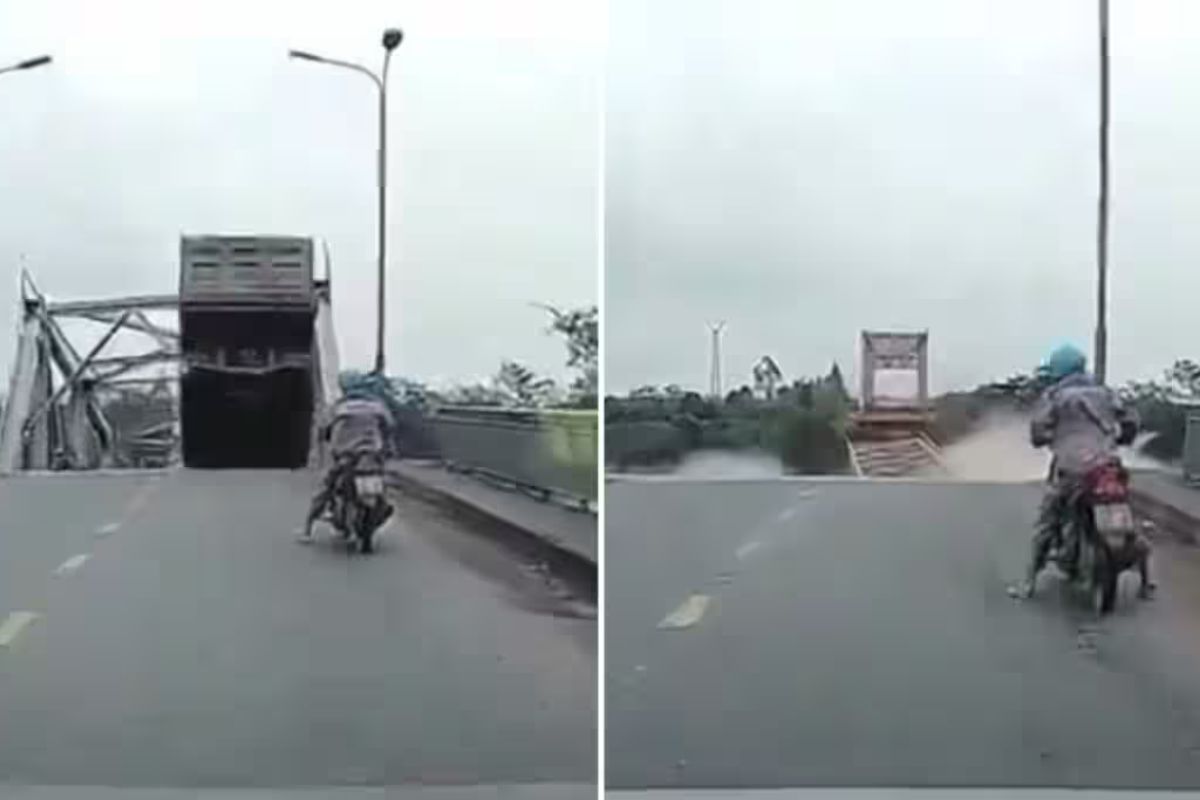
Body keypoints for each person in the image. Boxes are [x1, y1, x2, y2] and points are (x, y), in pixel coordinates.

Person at [1022, 343, 1152, 598]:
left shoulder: (1055, 396)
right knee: (1128, 518)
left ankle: (1029, 582)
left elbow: (1038, 428)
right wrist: (1122, 438)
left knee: (1048, 521)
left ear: (1058, 369)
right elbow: (1130, 420)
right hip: (1108, 467)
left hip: (1071, 469)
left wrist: (1045, 438)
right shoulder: (1105, 392)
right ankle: (1146, 583)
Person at [300, 386, 396, 542]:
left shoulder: (339, 408)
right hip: (372, 454)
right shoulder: (379, 407)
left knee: (327, 488)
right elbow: (390, 429)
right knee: (383, 485)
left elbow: (323, 430)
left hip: (347, 454)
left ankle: (307, 530)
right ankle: (382, 506)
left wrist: (322, 447)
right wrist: (388, 449)